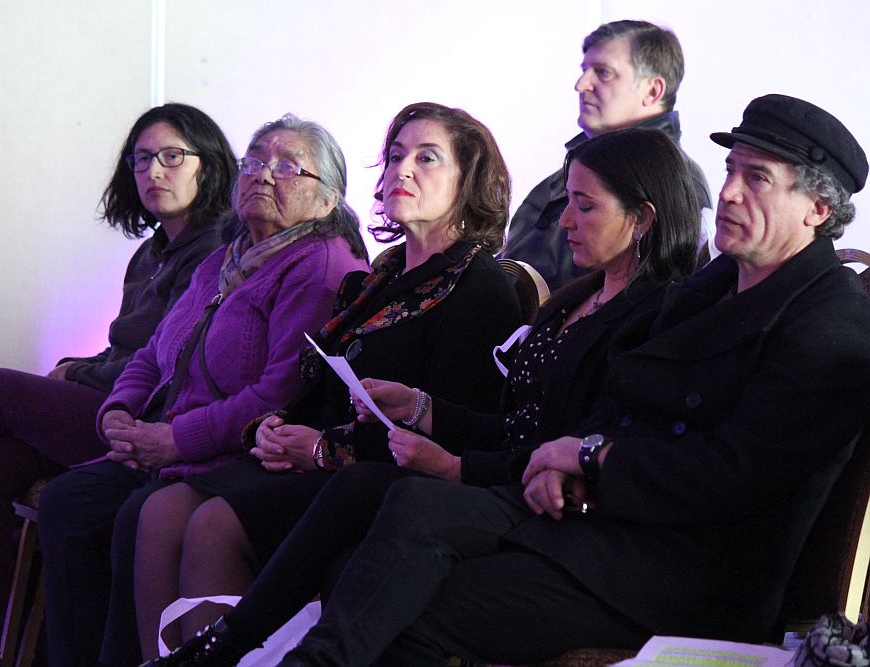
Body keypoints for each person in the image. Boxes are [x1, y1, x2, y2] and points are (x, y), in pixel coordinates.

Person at [272, 94, 870, 667]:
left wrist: (591, 458)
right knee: (402, 519)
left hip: (687, 577)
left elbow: (740, 476)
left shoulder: (831, 322)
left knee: (406, 609)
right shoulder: (710, 288)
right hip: (608, 528)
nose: (730, 192)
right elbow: (627, 399)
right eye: (731, 169)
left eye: (757, 178)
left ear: (817, 209)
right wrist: (570, 460)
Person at [144, 126, 702, 667]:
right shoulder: (569, 299)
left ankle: (240, 648)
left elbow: (570, 441)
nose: (564, 220)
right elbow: (513, 424)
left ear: (641, 219)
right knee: (158, 507)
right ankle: (223, 647)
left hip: (540, 500)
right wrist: (420, 408)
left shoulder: (649, 315)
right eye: (395, 155)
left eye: (584, 206)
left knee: (368, 503)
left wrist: (450, 465)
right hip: (493, 473)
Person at [126, 101, 522, 664]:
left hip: (388, 481)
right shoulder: (380, 276)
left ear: (468, 180)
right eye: (395, 156)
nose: (402, 170)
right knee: (162, 510)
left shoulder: (479, 287)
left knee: (213, 523)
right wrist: (273, 428)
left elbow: (457, 433)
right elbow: (317, 388)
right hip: (327, 463)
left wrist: (318, 447)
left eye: (427, 158)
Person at [0, 102, 236, 666]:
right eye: (141, 160)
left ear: (206, 165)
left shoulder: (214, 252)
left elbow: (166, 365)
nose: (153, 172)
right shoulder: (150, 254)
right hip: (112, 399)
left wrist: (77, 373)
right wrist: (80, 365)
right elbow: (126, 351)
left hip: (150, 420)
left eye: (171, 157)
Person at [37, 113, 370, 667]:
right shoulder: (225, 256)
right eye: (255, 161)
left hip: (238, 450)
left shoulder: (319, 266)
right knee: (69, 499)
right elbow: (154, 351)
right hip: (174, 440)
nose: (264, 174)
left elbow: (279, 393)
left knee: (138, 513)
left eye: (288, 167)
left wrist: (174, 441)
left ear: (328, 198)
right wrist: (119, 410)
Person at [502, 19, 712, 290]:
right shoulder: (578, 166)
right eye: (584, 70)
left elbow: (658, 294)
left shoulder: (675, 180)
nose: (581, 84)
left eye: (603, 73)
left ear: (652, 91)